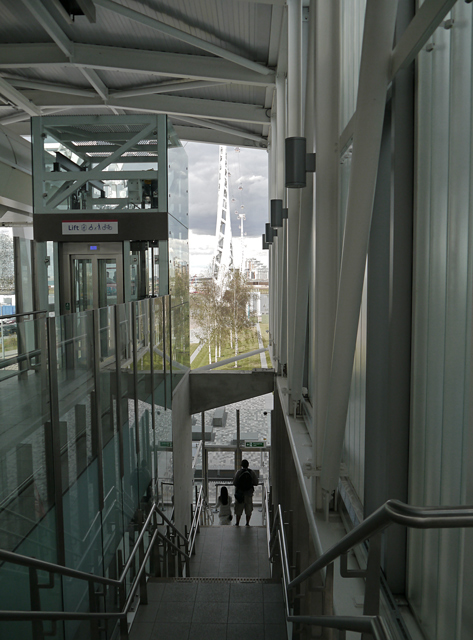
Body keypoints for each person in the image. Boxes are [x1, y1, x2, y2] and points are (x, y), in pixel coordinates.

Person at [233, 459, 258, 526]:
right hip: (249, 494)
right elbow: (256, 482)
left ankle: (237, 522)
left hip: (240, 494)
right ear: (248, 465)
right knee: (248, 509)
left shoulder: (238, 472)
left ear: (241, 465)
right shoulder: (252, 472)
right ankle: (247, 523)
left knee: (238, 509)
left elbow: (235, 483)